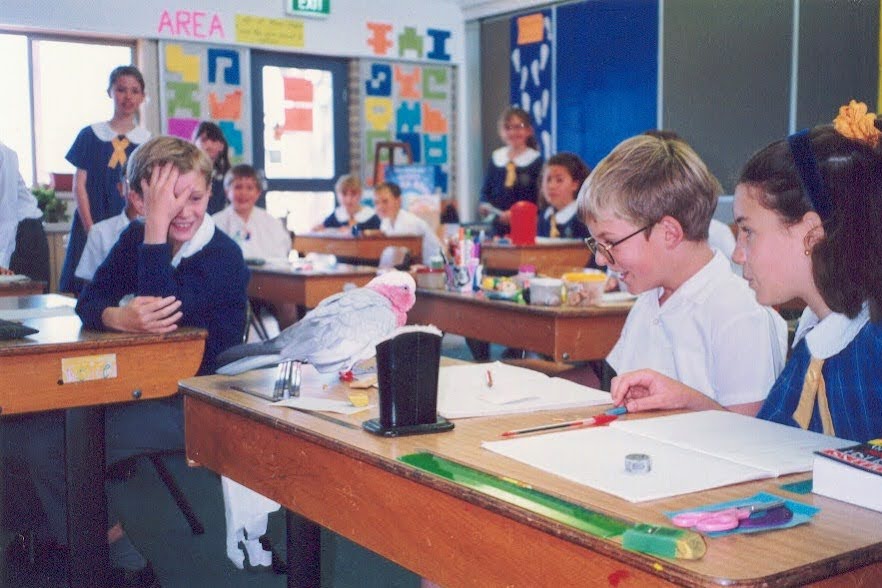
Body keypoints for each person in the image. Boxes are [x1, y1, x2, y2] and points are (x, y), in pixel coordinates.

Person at [11, 136, 249, 586]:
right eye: (166, 199)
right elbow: (88, 300)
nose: (183, 211)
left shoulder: (222, 257)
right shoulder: (136, 237)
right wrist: (114, 315)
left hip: (193, 401)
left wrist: (155, 225)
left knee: (52, 445)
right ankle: (63, 535)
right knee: (23, 426)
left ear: (210, 195)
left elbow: (161, 315)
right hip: (131, 386)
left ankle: (120, 557)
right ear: (140, 198)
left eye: (193, 198)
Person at [610, 101, 882, 443]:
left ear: (810, 233)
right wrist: (687, 401)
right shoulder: (819, 339)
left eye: (748, 232)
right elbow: (769, 446)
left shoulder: (869, 352)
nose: (738, 254)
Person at [578, 133, 787, 413]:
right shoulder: (649, 301)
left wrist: (686, 400)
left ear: (669, 233)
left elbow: (753, 438)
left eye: (610, 243)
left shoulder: (739, 313)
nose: (600, 259)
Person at [58, 65, 150, 295]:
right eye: (121, 89)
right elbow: (79, 185)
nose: (127, 97)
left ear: (142, 96)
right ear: (110, 92)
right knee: (84, 289)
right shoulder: (90, 134)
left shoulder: (147, 141)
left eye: (134, 91)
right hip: (92, 218)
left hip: (129, 223)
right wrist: (91, 229)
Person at [479, 106, 543, 236]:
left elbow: (540, 199)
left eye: (518, 127)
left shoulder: (537, 161)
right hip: (497, 227)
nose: (513, 132)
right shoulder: (496, 158)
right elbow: (485, 192)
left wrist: (519, 215)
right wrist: (485, 206)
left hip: (526, 227)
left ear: (529, 130)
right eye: (508, 128)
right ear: (501, 132)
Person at [74, 171, 144, 282]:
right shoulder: (99, 232)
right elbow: (87, 289)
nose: (141, 191)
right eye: (134, 184)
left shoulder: (173, 231)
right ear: (121, 188)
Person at [213, 164, 291, 262]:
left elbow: (280, 256)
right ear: (227, 191)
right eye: (238, 187)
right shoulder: (214, 224)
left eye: (249, 188)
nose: (243, 193)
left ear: (258, 193)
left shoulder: (272, 224)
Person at [0, 140, 48, 281]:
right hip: (8, 236)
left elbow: (7, 216)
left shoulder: (3, 154)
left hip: (25, 237)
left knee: (25, 300)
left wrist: (1, 267)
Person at [374, 181, 442, 263]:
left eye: (385, 201)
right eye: (376, 203)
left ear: (398, 201)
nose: (380, 207)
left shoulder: (410, 223)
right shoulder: (385, 223)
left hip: (433, 268)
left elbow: (406, 259)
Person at [537, 152, 591, 240]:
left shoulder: (584, 218)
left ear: (575, 184)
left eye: (559, 180)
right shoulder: (544, 217)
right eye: (548, 179)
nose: (551, 186)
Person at [312, 174, 380, 232]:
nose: (349, 199)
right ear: (338, 195)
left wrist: (353, 230)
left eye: (353, 194)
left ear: (360, 194)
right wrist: (318, 229)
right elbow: (324, 229)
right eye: (344, 194)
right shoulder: (336, 215)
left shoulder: (371, 216)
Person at [193, 121, 231, 215]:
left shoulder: (228, 174)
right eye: (204, 140)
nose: (208, 145)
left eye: (213, 140)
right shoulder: (186, 172)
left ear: (221, 146)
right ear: (194, 143)